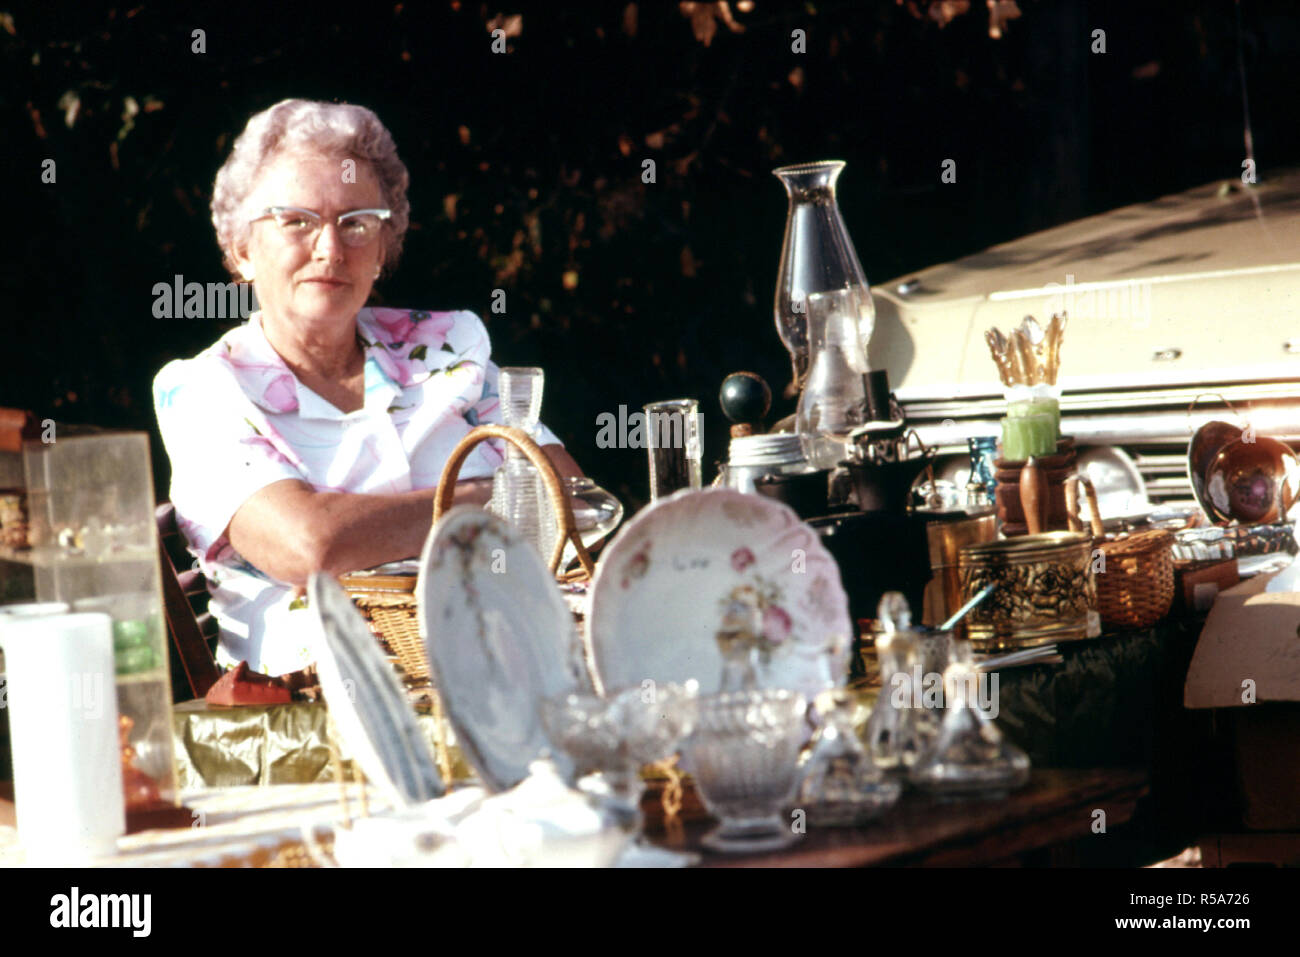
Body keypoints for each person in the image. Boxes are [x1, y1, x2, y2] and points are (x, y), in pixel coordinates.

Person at [154, 99, 580, 675]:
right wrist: (490, 500)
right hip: (317, 709)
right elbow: (313, 546)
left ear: (383, 248)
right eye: (297, 221)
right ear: (241, 249)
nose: (331, 249)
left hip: (504, 673)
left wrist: (377, 527)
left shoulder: (450, 347)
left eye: (356, 223)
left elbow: (571, 498)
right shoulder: (204, 391)